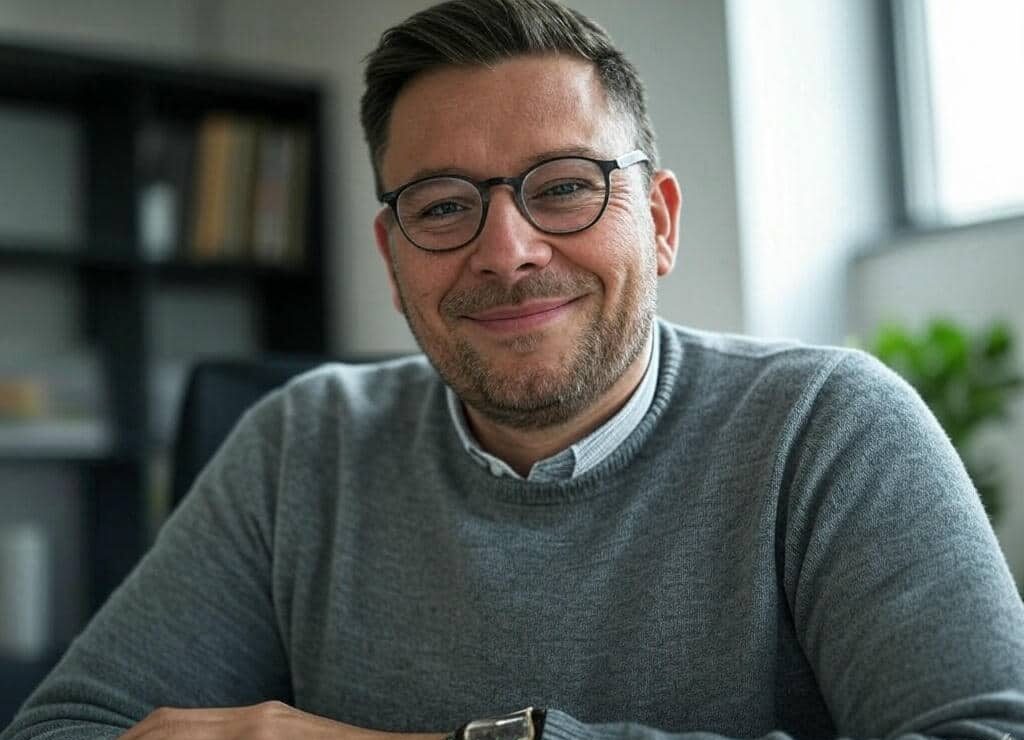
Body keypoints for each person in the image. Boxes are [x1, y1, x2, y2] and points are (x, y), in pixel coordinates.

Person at [4, 1, 1024, 738]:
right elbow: (68, 726)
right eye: (444, 205)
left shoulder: (828, 428)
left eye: (565, 186)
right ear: (392, 257)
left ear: (659, 222)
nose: (505, 251)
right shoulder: (299, 442)